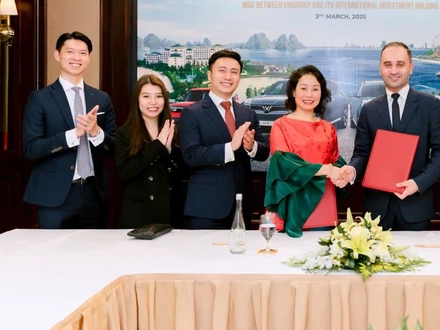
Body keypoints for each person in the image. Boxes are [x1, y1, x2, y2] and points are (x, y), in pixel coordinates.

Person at [339, 42, 440, 231]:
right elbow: (361, 153)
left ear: (411, 68)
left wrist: (418, 183)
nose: (394, 70)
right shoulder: (369, 109)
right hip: (376, 210)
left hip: (417, 206)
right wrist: (353, 170)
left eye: (400, 64)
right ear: (380, 69)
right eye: (388, 65)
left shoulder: (430, 105)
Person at [22, 31, 117, 229]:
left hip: (94, 194)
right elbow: (31, 148)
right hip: (55, 196)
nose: (77, 58)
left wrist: (95, 133)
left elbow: (114, 148)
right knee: (54, 257)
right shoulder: (40, 99)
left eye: (83, 53)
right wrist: (72, 135)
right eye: (70, 52)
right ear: (57, 55)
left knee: (92, 256)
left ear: (89, 58)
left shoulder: (101, 98)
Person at [179, 50, 269, 229]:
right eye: (222, 70)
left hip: (243, 204)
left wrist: (251, 147)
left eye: (234, 72)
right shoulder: (192, 113)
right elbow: (191, 155)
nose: (228, 76)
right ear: (210, 75)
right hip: (206, 207)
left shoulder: (247, 113)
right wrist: (230, 147)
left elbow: (263, 151)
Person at [264, 65, 347, 237]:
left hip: (322, 204)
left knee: (321, 258)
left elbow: (335, 159)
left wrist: (343, 173)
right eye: (303, 88)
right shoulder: (281, 125)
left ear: (321, 94)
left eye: (315, 89)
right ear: (293, 91)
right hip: (289, 204)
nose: (309, 95)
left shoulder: (327, 128)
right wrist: (328, 170)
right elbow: (285, 164)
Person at [116, 74, 187, 229]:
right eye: (146, 96)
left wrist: (167, 152)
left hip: (170, 213)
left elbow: (180, 174)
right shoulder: (124, 133)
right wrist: (158, 145)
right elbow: (125, 173)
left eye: (159, 96)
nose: (153, 102)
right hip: (139, 214)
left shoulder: (174, 131)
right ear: (137, 100)